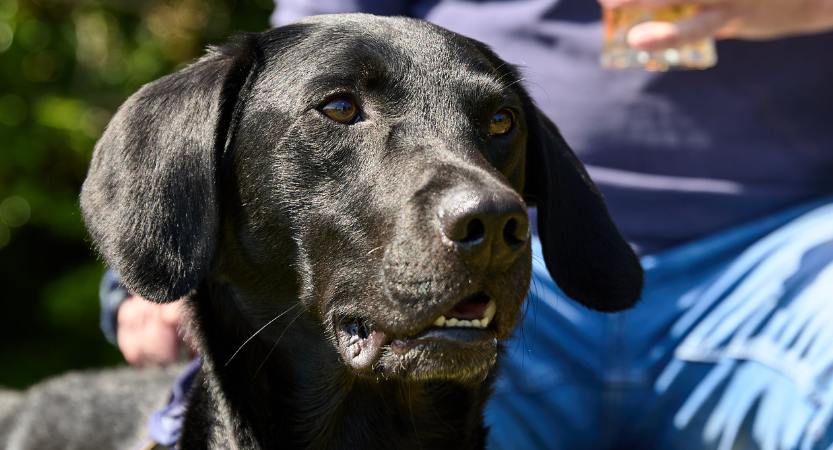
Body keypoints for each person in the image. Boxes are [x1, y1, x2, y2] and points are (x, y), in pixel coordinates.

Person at [105, 1, 833, 448]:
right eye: (342, 111)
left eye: (497, 123)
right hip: (540, 292)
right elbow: (303, 56)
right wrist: (167, 232)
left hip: (780, 258)